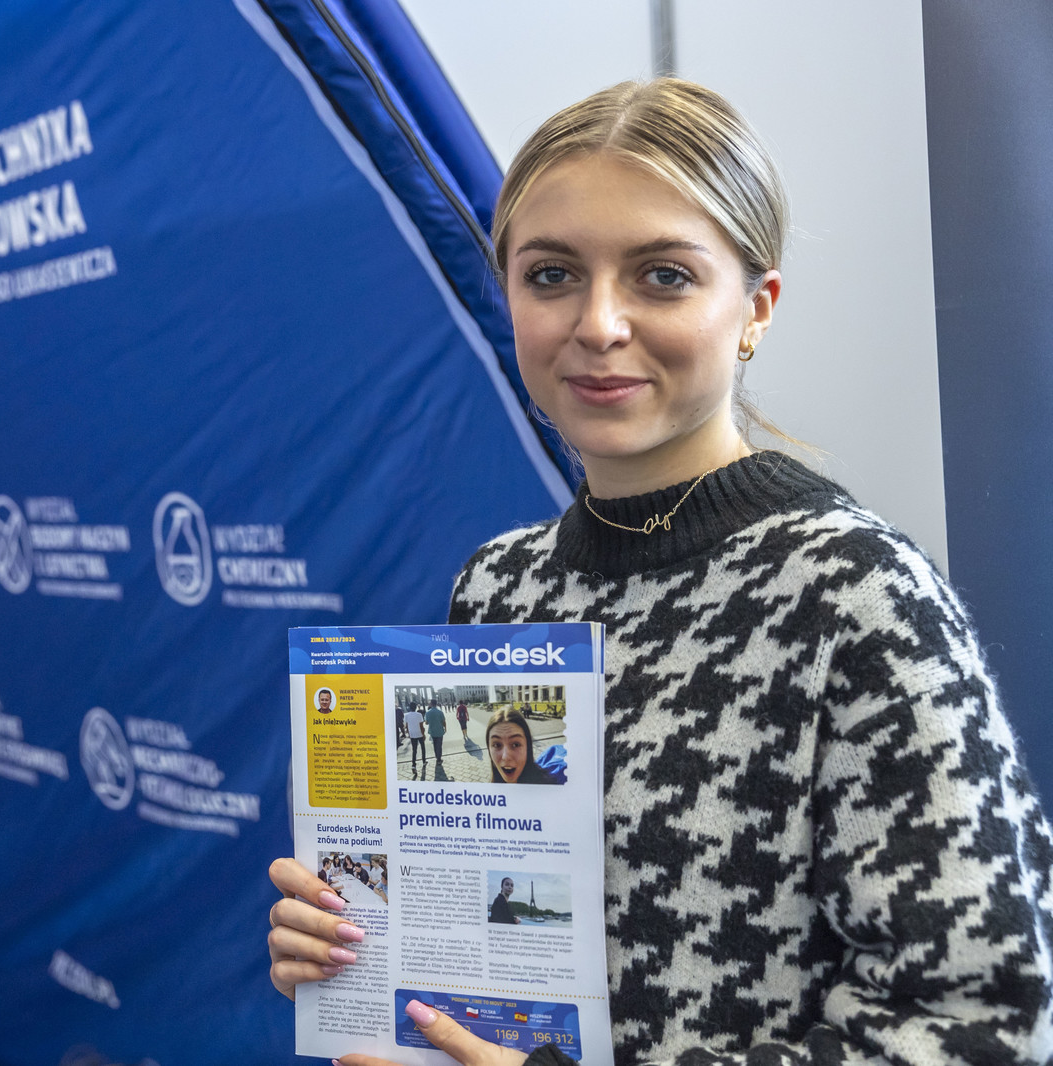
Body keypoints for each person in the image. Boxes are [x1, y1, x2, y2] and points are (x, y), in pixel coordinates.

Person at [266, 79, 1053, 1066]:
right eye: (552, 275)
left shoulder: (854, 595)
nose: (598, 323)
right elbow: (495, 946)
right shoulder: (501, 586)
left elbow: (982, 1025)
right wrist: (361, 948)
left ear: (755, 309)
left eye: (663, 276)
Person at [484, 708, 559, 785]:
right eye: (497, 745)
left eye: (515, 745)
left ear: (527, 747)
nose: (505, 757)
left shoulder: (548, 787)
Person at [401, 703, 425, 770]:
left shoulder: (406, 715)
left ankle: (413, 764)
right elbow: (421, 726)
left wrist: (409, 734)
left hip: (412, 734)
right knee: (423, 748)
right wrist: (423, 734)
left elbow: (406, 726)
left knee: (414, 750)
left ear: (409, 707)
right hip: (419, 733)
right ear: (416, 707)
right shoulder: (419, 715)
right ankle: (424, 761)